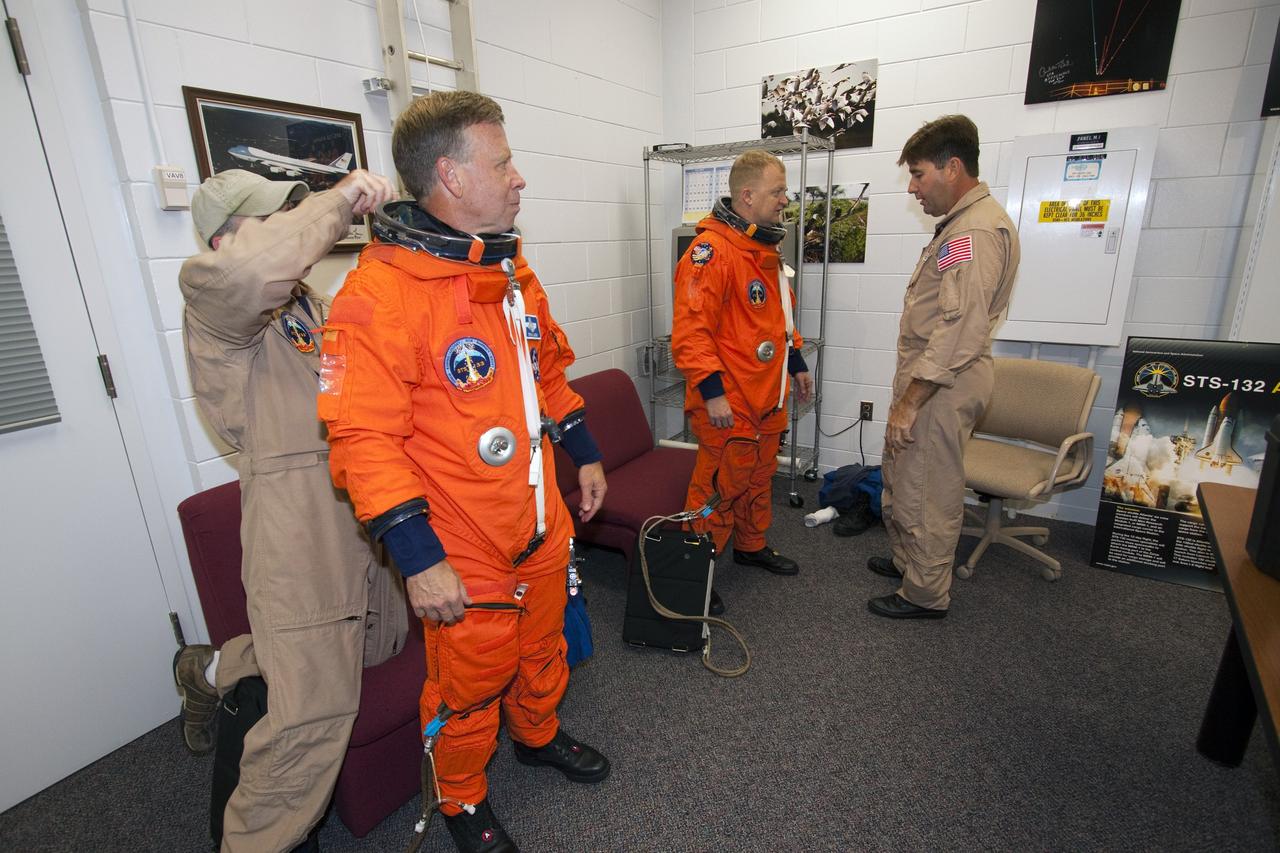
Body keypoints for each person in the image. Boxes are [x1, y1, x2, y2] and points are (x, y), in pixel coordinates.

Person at [318, 90, 610, 853]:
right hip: (463, 544)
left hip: (539, 519)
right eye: (504, 161)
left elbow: (548, 375)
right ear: (449, 174)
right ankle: (462, 798)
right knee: (471, 684)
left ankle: (538, 734)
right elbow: (362, 440)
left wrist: (585, 456)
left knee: (544, 647)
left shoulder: (509, 272)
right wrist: (419, 561)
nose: (520, 179)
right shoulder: (377, 297)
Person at [171, 167, 406, 852]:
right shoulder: (213, 294)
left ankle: (208, 670)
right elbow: (253, 272)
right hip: (297, 530)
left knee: (373, 649)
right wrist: (339, 200)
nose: (290, 229)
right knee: (311, 717)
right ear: (224, 238)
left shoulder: (303, 303)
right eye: (269, 219)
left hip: (353, 514)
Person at [867, 115, 1020, 620]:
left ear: (953, 168)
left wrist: (911, 401)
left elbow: (958, 329)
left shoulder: (974, 231)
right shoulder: (962, 226)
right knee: (906, 473)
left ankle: (925, 594)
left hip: (941, 385)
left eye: (918, 174)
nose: (912, 188)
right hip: (932, 379)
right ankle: (911, 564)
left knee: (928, 487)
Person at [672, 149, 814, 615]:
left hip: (767, 398)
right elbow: (691, 333)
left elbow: (778, 320)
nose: (785, 200)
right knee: (716, 487)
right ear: (748, 195)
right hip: (728, 402)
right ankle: (693, 573)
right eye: (778, 191)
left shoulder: (766, 252)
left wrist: (796, 364)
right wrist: (712, 394)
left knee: (758, 478)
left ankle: (751, 545)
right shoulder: (710, 253)